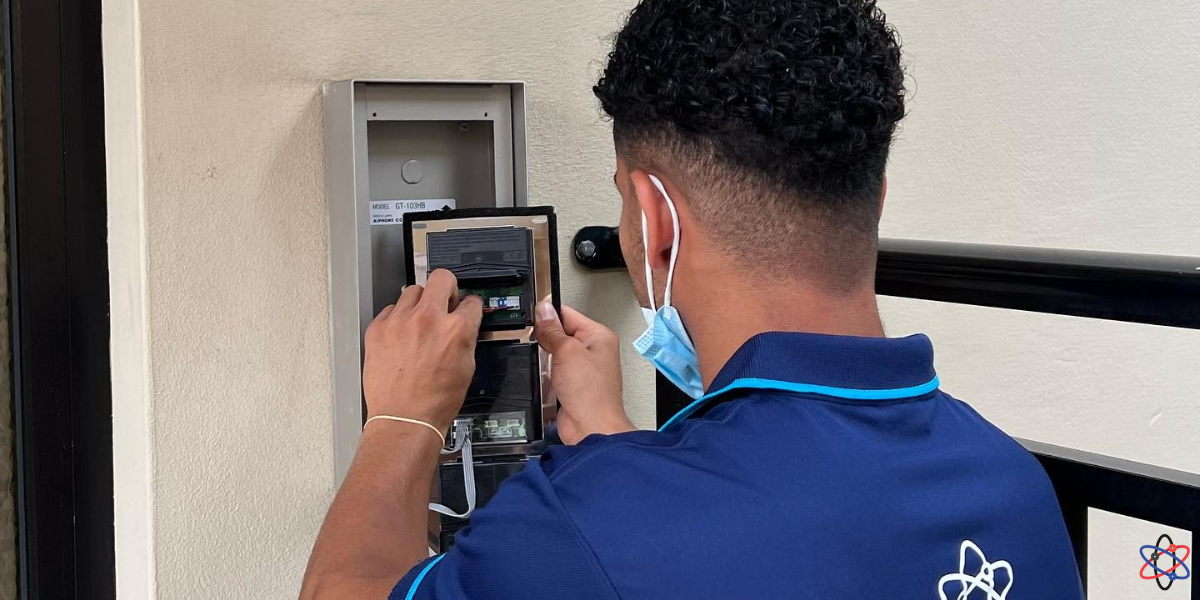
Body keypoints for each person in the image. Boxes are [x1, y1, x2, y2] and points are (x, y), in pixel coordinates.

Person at [300, 0, 1084, 598]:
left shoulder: (587, 530)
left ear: (654, 220)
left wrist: (403, 419)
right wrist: (618, 452)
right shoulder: (1014, 488)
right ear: (875, 196)